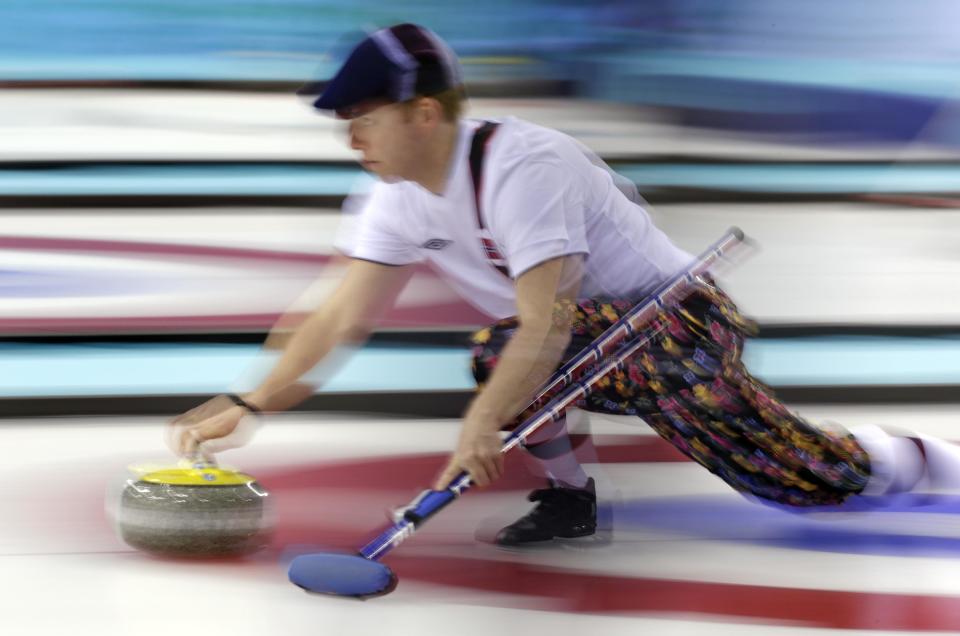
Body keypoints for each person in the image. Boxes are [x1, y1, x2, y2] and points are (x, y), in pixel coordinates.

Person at [168, 23, 960, 546]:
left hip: (672, 328)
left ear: (422, 115)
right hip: (591, 339)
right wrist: (251, 403)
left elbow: (546, 321)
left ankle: (933, 462)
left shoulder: (525, 166)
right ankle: (570, 497)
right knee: (496, 355)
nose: (351, 137)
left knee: (792, 481)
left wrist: (482, 425)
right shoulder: (391, 195)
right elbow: (340, 316)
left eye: (363, 117)